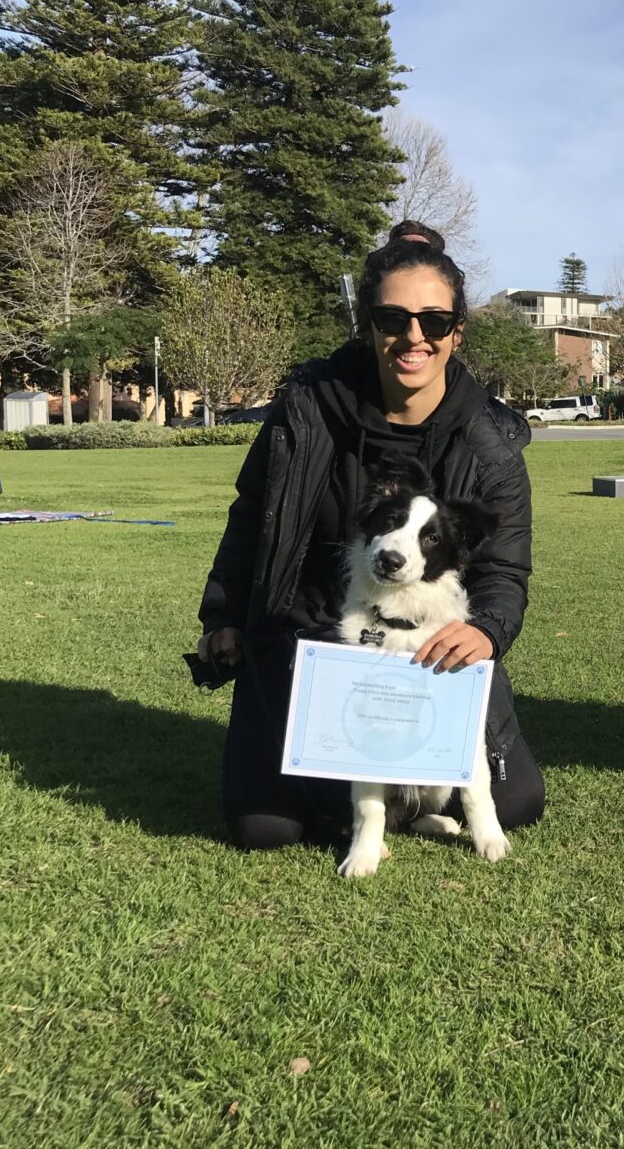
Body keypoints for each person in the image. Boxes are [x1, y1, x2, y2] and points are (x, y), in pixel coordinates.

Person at [194, 222, 544, 850]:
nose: (414, 337)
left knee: (516, 803)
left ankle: (406, 782)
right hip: (309, 642)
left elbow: (504, 572)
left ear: (456, 333)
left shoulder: (491, 444)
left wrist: (486, 631)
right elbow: (252, 517)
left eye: (434, 322)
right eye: (393, 319)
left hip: (430, 649)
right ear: (368, 326)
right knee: (267, 828)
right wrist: (223, 615)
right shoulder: (307, 409)